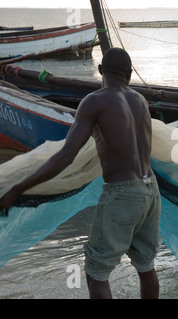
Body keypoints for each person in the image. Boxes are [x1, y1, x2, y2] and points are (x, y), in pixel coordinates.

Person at [0, 47, 161, 299]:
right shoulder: (140, 101)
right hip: (151, 189)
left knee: (96, 272)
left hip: (123, 193)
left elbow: (66, 156)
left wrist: (17, 188)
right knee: (146, 266)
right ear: (129, 74)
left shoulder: (94, 101)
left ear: (99, 71)